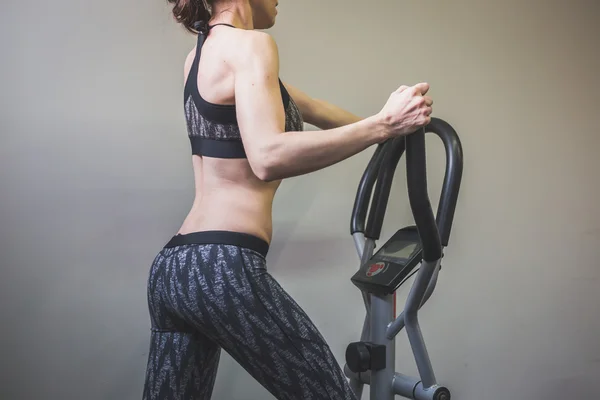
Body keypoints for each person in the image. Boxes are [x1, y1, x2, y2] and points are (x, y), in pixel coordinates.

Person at [142, 0, 433, 399]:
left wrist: (393, 123)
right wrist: (382, 125)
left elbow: (314, 110)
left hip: (175, 270)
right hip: (223, 265)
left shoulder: (200, 56)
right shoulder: (252, 46)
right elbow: (266, 157)